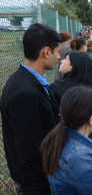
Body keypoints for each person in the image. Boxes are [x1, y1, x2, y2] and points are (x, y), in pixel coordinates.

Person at [0, 23, 61, 194]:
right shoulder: (24, 93)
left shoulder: (32, 82)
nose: (59, 57)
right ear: (46, 52)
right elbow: (30, 150)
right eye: (57, 52)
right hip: (38, 182)